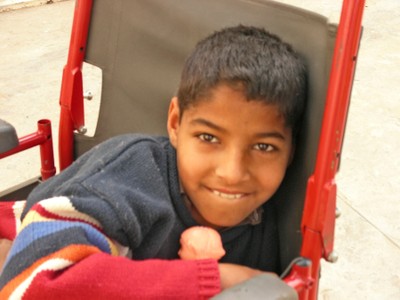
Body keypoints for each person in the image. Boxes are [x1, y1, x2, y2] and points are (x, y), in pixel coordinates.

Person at [0, 25, 306, 299]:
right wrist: (214, 280)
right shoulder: (131, 178)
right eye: (208, 138)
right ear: (174, 123)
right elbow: (32, 285)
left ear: (292, 150)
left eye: (263, 146)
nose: (231, 172)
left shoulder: (273, 224)